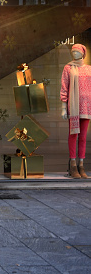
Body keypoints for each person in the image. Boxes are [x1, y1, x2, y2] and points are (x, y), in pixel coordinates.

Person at [60, 43, 89, 179]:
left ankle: (81, 165)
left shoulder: (89, 69)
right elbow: (64, 87)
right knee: (74, 135)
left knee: (83, 137)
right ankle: (73, 165)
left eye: (77, 51)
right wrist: (63, 107)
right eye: (73, 51)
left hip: (87, 106)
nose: (74, 53)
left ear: (82, 53)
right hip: (74, 106)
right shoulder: (68, 68)